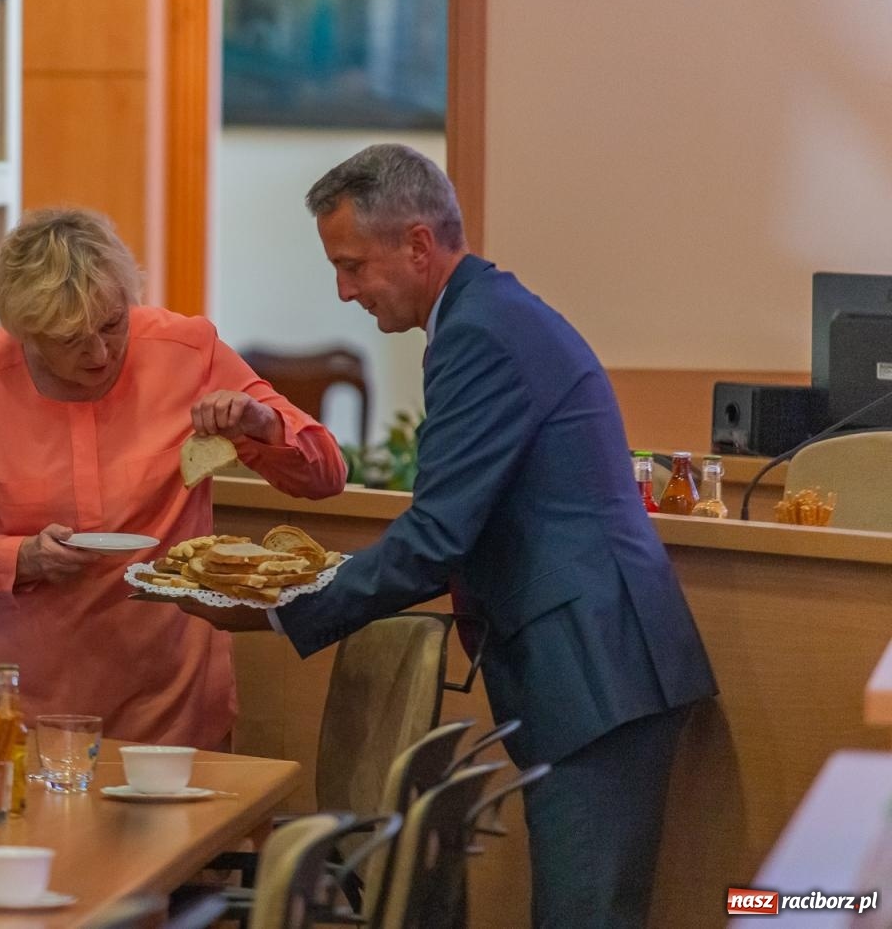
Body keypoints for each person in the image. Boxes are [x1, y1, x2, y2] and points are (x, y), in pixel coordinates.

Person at [181, 145, 717, 927]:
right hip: (594, 663)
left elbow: (435, 539)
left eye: (352, 266)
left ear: (418, 245)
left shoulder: (480, 333)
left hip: (595, 669)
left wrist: (278, 608)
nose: (344, 291)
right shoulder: (484, 315)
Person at [0, 208, 347, 749]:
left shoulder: (188, 350)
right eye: (70, 339)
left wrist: (264, 424)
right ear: (26, 335)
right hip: (17, 704)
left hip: (170, 700)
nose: (99, 353)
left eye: (113, 324)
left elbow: (326, 474)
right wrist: (24, 558)